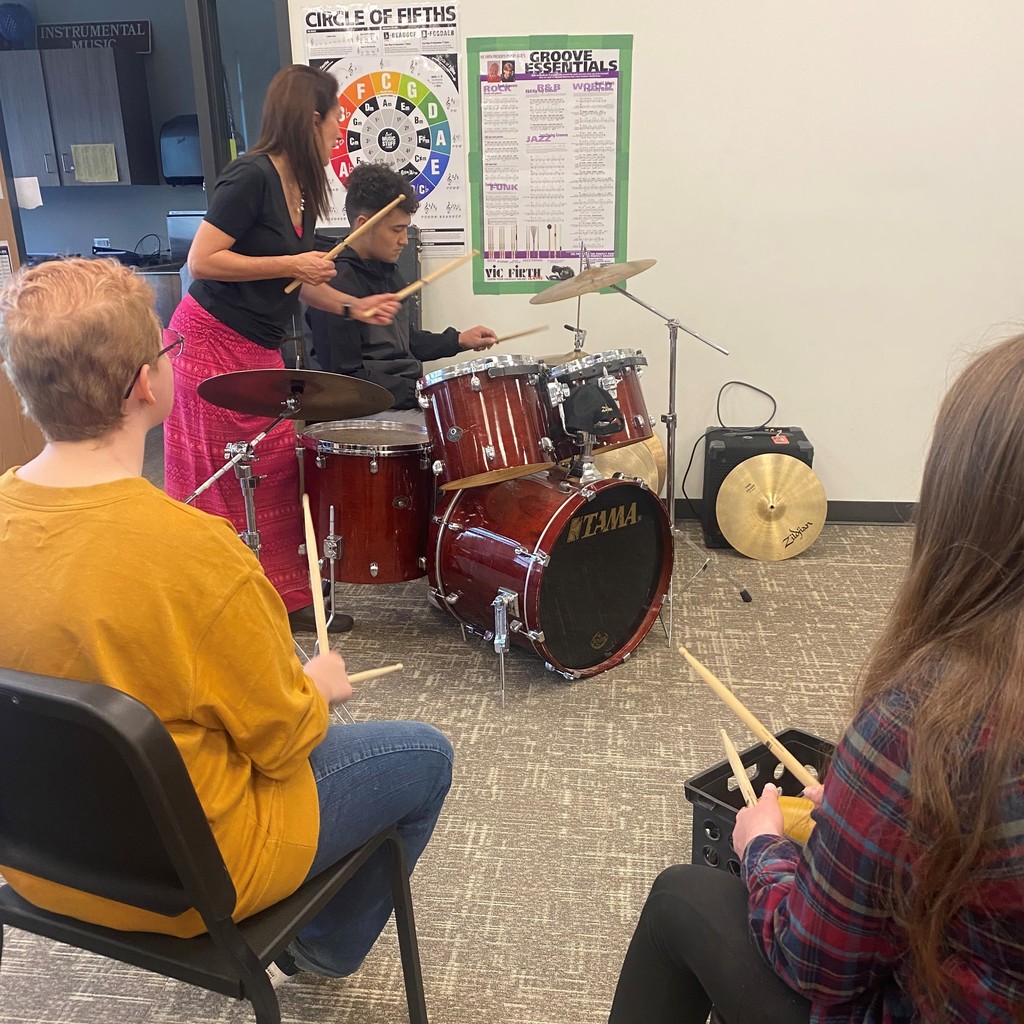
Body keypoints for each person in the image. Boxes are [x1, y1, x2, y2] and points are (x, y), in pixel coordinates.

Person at [0, 258, 453, 981]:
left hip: (36, 864)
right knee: (426, 755)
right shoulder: (198, 554)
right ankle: (322, 950)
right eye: (166, 349)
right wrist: (317, 687)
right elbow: (281, 742)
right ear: (147, 384)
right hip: (190, 882)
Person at [609, 334, 1024, 1022]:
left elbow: (817, 958)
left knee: (681, 898)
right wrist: (870, 828)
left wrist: (763, 846)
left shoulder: (928, 722)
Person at [163, 64, 400, 634]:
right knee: (223, 478)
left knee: (276, 469)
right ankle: (222, 601)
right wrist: (292, 262)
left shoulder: (301, 187)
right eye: (335, 119)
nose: (338, 131)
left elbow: (301, 283)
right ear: (310, 119)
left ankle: (288, 596)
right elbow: (203, 260)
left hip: (259, 346)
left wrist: (354, 306)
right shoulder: (251, 177)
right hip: (210, 340)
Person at [306, 161, 497, 417]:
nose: (404, 240)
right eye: (397, 229)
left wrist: (459, 340)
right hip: (366, 411)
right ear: (363, 224)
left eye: (406, 228)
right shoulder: (335, 285)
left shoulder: (387, 271)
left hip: (401, 400)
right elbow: (348, 379)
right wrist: (420, 392)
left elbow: (407, 344)